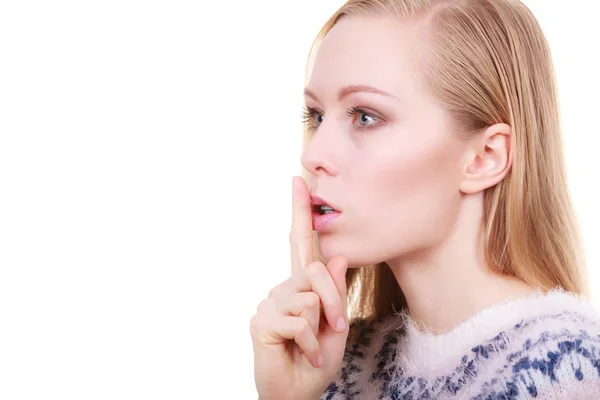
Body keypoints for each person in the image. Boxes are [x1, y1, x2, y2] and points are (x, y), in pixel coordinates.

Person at [250, 0, 600, 398]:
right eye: (316, 116)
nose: (313, 155)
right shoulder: (339, 363)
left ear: (485, 158)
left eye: (366, 116)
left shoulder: (567, 373)